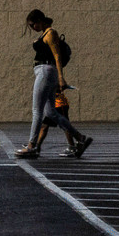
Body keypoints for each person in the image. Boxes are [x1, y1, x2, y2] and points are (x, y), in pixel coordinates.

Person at [16, 9, 92, 159]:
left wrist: (61, 78)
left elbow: (57, 56)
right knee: (51, 113)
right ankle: (80, 138)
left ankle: (32, 146)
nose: (32, 28)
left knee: (37, 111)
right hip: (46, 72)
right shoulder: (46, 33)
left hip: (45, 71)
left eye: (33, 24)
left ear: (40, 20)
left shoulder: (50, 33)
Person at [35, 84, 78, 156]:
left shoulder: (54, 78)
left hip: (59, 105)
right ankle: (37, 147)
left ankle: (73, 146)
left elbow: (59, 86)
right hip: (54, 106)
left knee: (65, 126)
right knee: (44, 126)